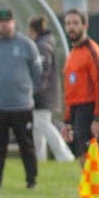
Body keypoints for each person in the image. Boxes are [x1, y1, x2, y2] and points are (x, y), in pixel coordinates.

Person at [0, 8, 42, 190]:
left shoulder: (26, 44)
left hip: (22, 105)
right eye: (0, 22)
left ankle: (32, 181)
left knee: (26, 145)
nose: (4, 25)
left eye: (7, 21)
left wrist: (26, 89)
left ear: (14, 22)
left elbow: (37, 72)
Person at [61, 8, 99, 198]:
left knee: (91, 161)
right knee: (84, 161)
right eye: (68, 23)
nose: (71, 27)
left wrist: (98, 117)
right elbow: (70, 91)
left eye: (75, 23)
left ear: (84, 25)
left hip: (89, 111)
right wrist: (67, 121)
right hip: (77, 112)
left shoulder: (92, 52)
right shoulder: (73, 53)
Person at [27, 16, 75, 163]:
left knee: (44, 124)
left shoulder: (42, 46)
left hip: (43, 95)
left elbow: (42, 73)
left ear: (33, 30)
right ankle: (39, 158)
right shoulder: (45, 43)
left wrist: (35, 91)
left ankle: (65, 155)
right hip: (45, 93)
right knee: (37, 127)